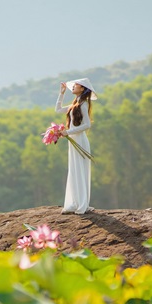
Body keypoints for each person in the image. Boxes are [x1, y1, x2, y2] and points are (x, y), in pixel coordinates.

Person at [55, 77, 97, 214]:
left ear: (83, 89)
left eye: (76, 85)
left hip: (80, 140)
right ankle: (75, 202)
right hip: (73, 140)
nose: (73, 87)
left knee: (80, 170)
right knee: (74, 170)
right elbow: (58, 110)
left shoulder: (83, 104)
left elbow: (87, 125)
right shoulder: (75, 104)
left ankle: (82, 204)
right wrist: (61, 93)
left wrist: (68, 131)